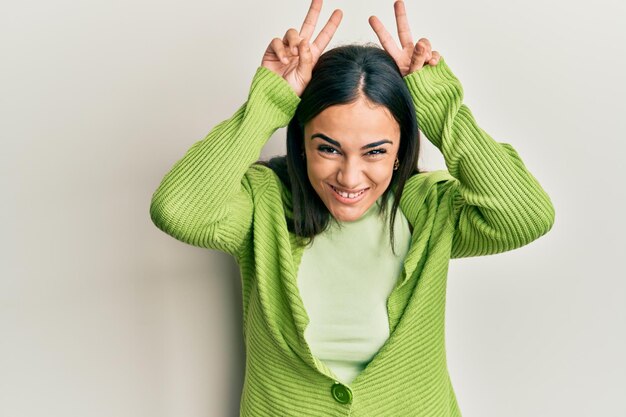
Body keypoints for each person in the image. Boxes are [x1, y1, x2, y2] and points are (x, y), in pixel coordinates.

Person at [149, 0, 556, 415]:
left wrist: (438, 107)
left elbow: (526, 216)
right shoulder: (264, 205)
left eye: (375, 151)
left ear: (400, 151)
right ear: (302, 144)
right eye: (328, 148)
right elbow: (178, 209)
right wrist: (269, 101)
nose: (349, 177)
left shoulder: (431, 209)